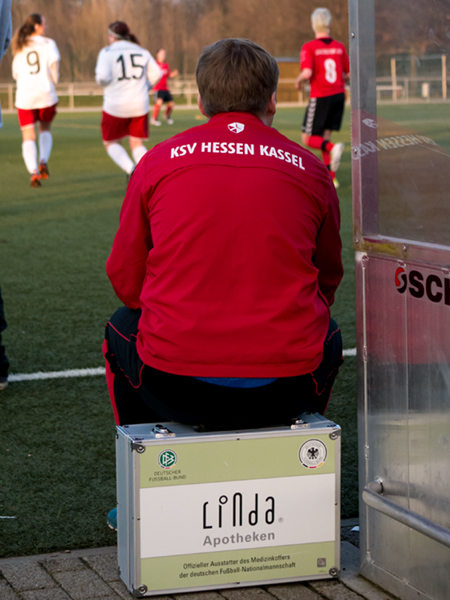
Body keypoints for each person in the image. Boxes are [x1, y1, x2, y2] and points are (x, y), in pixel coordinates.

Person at [103, 37, 343, 438]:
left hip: (173, 382)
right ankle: (301, 453)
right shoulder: (311, 169)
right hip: (287, 386)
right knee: (329, 331)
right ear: (271, 102)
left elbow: (125, 278)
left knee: (121, 325)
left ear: (200, 101)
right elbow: (328, 278)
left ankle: (142, 482)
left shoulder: (156, 162)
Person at [95, 22, 162, 179]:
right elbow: (157, 74)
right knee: (137, 144)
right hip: (139, 104)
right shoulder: (141, 51)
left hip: (115, 105)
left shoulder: (106, 52)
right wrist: (145, 86)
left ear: (112, 36)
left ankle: (131, 169)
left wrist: (107, 83)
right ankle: (147, 175)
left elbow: (102, 78)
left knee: (110, 143)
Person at [295, 8, 349, 188]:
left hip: (321, 96)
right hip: (338, 95)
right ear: (330, 24)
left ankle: (334, 148)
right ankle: (332, 179)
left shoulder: (309, 47)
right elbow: (348, 74)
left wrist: (299, 80)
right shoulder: (340, 47)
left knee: (307, 138)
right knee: (325, 136)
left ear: (313, 25)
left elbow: (308, 71)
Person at [11, 14, 60, 187]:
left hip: (25, 96)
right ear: (37, 26)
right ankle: (43, 160)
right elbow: (54, 66)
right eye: (44, 24)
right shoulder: (49, 43)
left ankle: (33, 172)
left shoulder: (20, 44)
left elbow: (15, 73)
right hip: (46, 93)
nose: (45, 27)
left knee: (28, 135)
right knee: (45, 128)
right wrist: (55, 80)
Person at [150, 48, 179, 126]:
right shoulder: (154, 64)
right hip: (158, 88)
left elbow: (169, 75)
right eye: (162, 54)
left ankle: (166, 116)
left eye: (164, 54)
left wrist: (174, 74)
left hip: (165, 88)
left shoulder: (166, 65)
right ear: (157, 54)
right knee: (159, 102)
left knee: (171, 104)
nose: (163, 55)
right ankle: (154, 119)